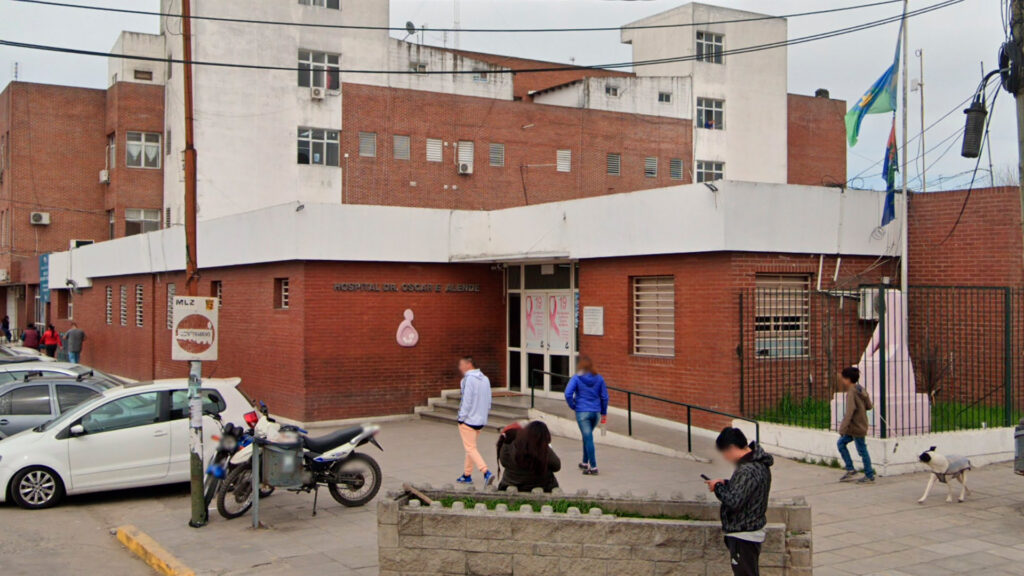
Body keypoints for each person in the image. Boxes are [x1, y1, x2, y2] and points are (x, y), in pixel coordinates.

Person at [705, 427, 774, 576]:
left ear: (731, 448)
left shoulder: (747, 470)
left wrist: (717, 487)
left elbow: (734, 501)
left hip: (743, 534)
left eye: (724, 453)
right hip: (750, 531)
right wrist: (725, 483)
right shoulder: (758, 463)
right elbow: (747, 489)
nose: (725, 458)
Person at [564, 356, 608, 475]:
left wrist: (573, 405)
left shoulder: (576, 378)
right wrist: (603, 412)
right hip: (596, 412)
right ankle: (584, 462)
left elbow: (568, 393)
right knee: (587, 436)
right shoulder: (599, 378)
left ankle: (593, 467)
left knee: (588, 438)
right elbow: (604, 397)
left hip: (582, 412)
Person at [455, 356, 494, 486]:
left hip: (468, 420)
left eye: (461, 364)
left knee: (470, 448)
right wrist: (484, 415)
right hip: (481, 420)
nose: (460, 368)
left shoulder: (467, 379)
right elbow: (489, 399)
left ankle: (486, 472)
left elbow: (466, 400)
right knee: (470, 448)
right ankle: (467, 475)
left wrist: (461, 418)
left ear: (469, 364)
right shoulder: (485, 379)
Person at [497, 420, 561, 493]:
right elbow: (556, 466)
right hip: (543, 486)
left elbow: (503, 462)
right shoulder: (542, 449)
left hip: (510, 483)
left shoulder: (510, 443)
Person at [837, 366, 876, 484]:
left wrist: (842, 428)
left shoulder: (851, 392)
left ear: (848, 379)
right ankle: (850, 470)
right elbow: (869, 406)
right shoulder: (861, 389)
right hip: (858, 426)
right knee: (841, 443)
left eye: (843, 378)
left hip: (856, 427)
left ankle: (869, 475)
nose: (842, 381)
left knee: (862, 450)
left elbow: (849, 411)